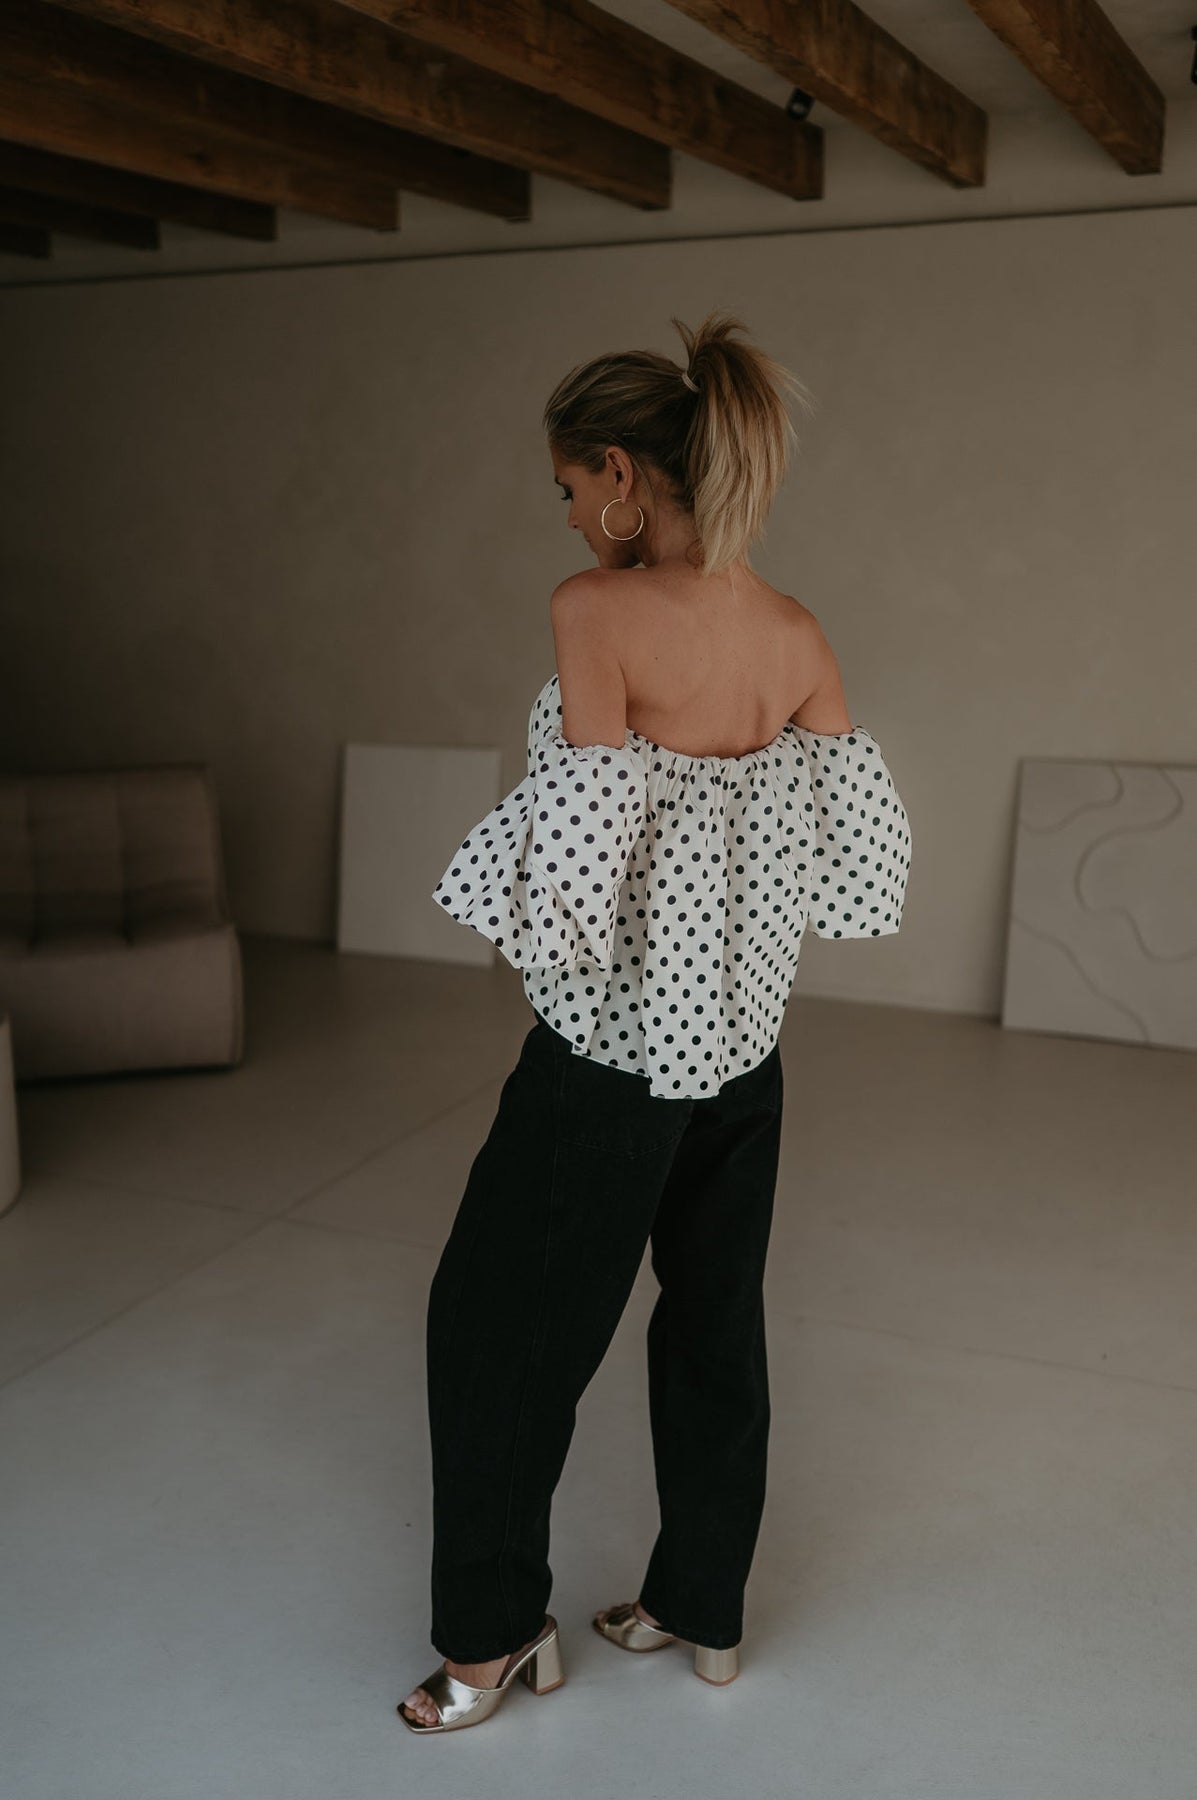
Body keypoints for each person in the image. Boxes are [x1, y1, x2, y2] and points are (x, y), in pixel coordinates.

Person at [399, 311, 912, 1733]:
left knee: (497, 1332)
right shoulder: (796, 632)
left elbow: (580, 862)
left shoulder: (596, 609)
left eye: (570, 485)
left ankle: (491, 1641)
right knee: (714, 1330)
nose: (569, 514)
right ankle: (702, 1606)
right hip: (743, 1063)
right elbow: (860, 864)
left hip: (610, 1065)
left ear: (623, 475)